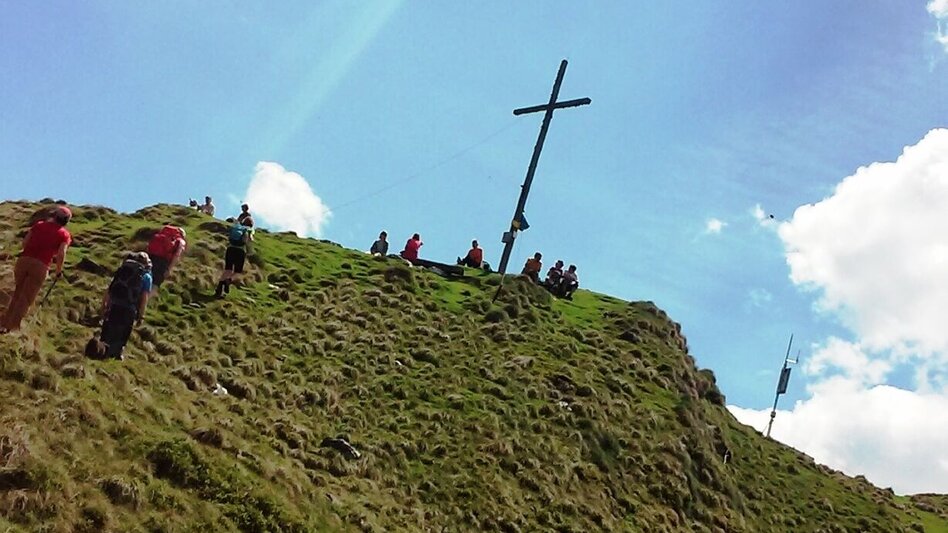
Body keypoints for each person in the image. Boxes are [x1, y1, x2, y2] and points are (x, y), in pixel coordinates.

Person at [1, 206, 72, 334]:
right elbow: (61, 253)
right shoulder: (64, 234)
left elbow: (25, 242)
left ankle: (4, 323)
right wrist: (58, 270)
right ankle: (12, 328)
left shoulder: (39, 225)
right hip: (41, 265)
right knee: (26, 298)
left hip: (23, 260)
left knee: (17, 292)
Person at [94, 252, 153, 360]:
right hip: (129, 308)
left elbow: (110, 289)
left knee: (108, 330)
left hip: (115, 304)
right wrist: (141, 315)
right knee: (122, 333)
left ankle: (100, 352)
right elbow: (144, 298)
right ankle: (115, 355)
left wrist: (104, 305)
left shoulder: (123, 271)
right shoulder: (146, 276)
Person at [215, 217, 254, 297]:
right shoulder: (249, 229)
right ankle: (228, 280)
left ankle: (219, 288)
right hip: (240, 251)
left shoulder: (237, 226)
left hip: (230, 249)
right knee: (237, 271)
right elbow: (250, 240)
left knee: (228, 269)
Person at [146, 225, 186, 294]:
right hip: (162, 263)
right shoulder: (181, 241)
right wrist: (169, 269)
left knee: (145, 279)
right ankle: (143, 303)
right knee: (155, 284)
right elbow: (176, 255)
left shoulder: (163, 235)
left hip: (150, 258)